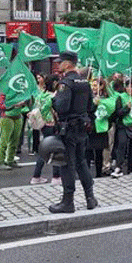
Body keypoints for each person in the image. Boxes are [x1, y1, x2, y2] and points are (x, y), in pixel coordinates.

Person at [49, 51, 97, 213]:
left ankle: (68, 201)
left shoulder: (66, 83)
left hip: (68, 128)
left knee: (67, 164)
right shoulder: (84, 82)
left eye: (61, 62)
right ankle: (90, 197)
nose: (58, 64)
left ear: (68, 63)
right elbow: (91, 106)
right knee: (81, 162)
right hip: (82, 127)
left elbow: (61, 107)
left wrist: (53, 101)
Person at [30, 74, 61, 184]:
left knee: (44, 150)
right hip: (52, 125)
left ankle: (36, 176)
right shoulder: (53, 97)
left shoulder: (41, 95)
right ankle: (56, 176)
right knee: (55, 150)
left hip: (43, 125)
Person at [0, 92, 30, 170]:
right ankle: (1, 161)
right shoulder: (4, 91)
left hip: (18, 116)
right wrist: (13, 105)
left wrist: (24, 102)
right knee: (4, 140)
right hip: (6, 117)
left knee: (15, 140)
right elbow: (0, 105)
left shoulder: (19, 90)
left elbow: (29, 101)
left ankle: (10, 160)